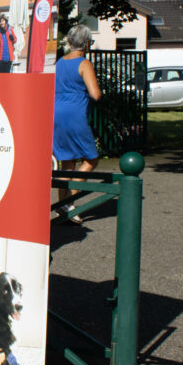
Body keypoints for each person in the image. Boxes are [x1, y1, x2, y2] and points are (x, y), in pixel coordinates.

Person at [53, 24, 102, 223]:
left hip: (56, 113)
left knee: (67, 162)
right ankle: (70, 201)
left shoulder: (59, 63)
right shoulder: (84, 63)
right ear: (86, 43)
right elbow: (95, 94)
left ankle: (60, 206)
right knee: (91, 159)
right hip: (74, 114)